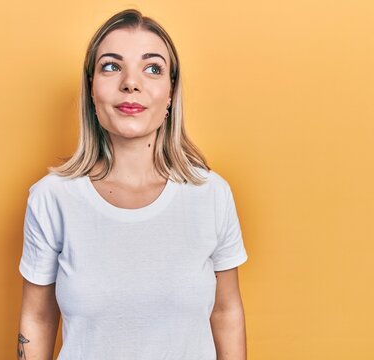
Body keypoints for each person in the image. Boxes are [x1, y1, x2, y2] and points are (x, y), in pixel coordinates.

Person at [17, 8, 249, 360]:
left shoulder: (211, 195)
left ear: (170, 93)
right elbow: (38, 317)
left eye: (152, 68)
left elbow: (226, 312)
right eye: (111, 66)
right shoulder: (52, 198)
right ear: (91, 91)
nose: (131, 82)